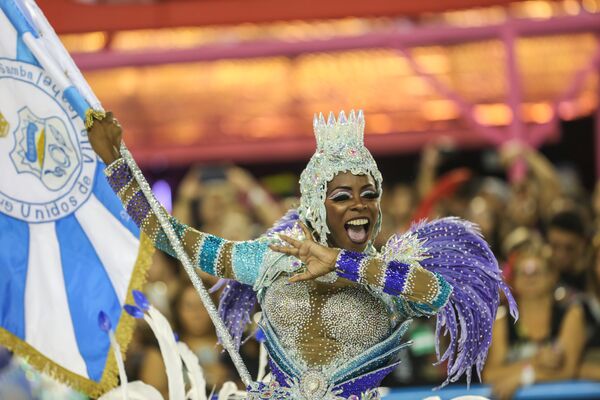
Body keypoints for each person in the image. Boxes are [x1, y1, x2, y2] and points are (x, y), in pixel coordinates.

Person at [88, 110, 516, 399]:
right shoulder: (273, 259)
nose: (359, 205)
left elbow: (438, 293)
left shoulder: (389, 271)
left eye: (369, 195)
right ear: (316, 205)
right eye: (343, 196)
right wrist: (115, 161)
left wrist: (343, 263)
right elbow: (176, 240)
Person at [483, 246, 585, 400]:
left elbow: (568, 371)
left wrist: (525, 377)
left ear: (552, 276)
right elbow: (491, 374)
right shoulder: (502, 320)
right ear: (514, 280)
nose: (529, 278)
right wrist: (536, 361)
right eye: (523, 273)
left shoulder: (571, 314)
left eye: (536, 272)